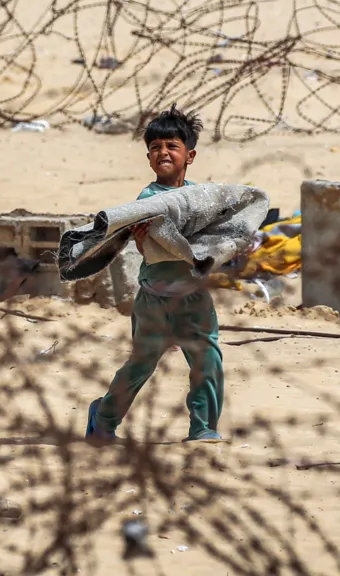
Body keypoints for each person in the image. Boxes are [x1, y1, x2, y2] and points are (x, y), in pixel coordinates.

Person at [84, 105, 226, 444]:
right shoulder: (149, 199)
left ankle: (203, 426)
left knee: (207, 359)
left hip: (193, 295)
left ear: (189, 155)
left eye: (172, 146)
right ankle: (102, 419)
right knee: (141, 365)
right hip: (154, 297)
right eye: (155, 148)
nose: (163, 152)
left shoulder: (200, 198)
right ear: (148, 157)